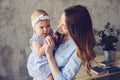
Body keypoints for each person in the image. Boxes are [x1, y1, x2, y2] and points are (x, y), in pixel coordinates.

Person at [43, 5, 96, 80]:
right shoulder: (57, 35)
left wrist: (49, 55)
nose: (58, 28)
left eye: (64, 27)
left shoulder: (79, 51)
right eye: (59, 22)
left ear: (76, 29)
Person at [27, 10, 54, 80]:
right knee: (49, 78)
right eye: (41, 27)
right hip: (39, 64)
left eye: (48, 26)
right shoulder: (35, 40)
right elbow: (39, 53)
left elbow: (53, 36)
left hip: (47, 61)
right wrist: (46, 44)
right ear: (34, 28)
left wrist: (54, 38)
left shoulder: (49, 32)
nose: (45, 30)